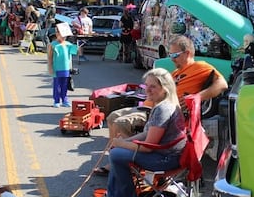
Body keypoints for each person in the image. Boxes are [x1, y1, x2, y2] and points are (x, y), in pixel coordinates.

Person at [96, 35, 227, 175]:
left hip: (162, 112)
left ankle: (127, 162)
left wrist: (198, 96)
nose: (172, 58)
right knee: (111, 117)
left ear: (187, 53)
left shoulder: (200, 67)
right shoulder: (176, 72)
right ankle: (118, 160)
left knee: (119, 123)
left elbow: (222, 84)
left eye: (175, 54)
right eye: (170, 54)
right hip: (150, 105)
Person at [93, 68, 186, 197]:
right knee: (118, 151)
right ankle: (116, 196)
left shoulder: (163, 109)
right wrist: (125, 141)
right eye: (146, 86)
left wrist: (122, 144)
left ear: (165, 88)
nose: (148, 90)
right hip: (168, 154)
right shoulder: (165, 104)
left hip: (166, 159)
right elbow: (148, 133)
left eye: (153, 86)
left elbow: (149, 147)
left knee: (116, 155)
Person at [46, 23, 78, 108]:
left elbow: (75, 53)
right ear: (57, 34)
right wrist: (50, 67)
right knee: (57, 85)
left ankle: (64, 100)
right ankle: (56, 100)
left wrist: (79, 47)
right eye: (61, 35)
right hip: (57, 68)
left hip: (66, 68)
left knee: (65, 85)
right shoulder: (52, 45)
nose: (64, 37)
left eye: (65, 36)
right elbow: (49, 58)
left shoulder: (68, 44)